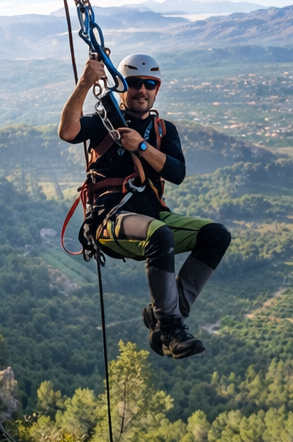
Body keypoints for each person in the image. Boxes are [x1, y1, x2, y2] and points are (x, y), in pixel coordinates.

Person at [58, 53, 231, 359]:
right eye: (135, 83)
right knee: (160, 233)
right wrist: (85, 84)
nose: (142, 90)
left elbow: (176, 173)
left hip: (153, 216)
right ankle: (169, 328)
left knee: (216, 235)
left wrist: (140, 146)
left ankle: (165, 313)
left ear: (157, 89)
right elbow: (68, 132)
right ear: (123, 87)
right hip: (110, 219)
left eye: (149, 84)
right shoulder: (103, 124)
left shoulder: (164, 131)